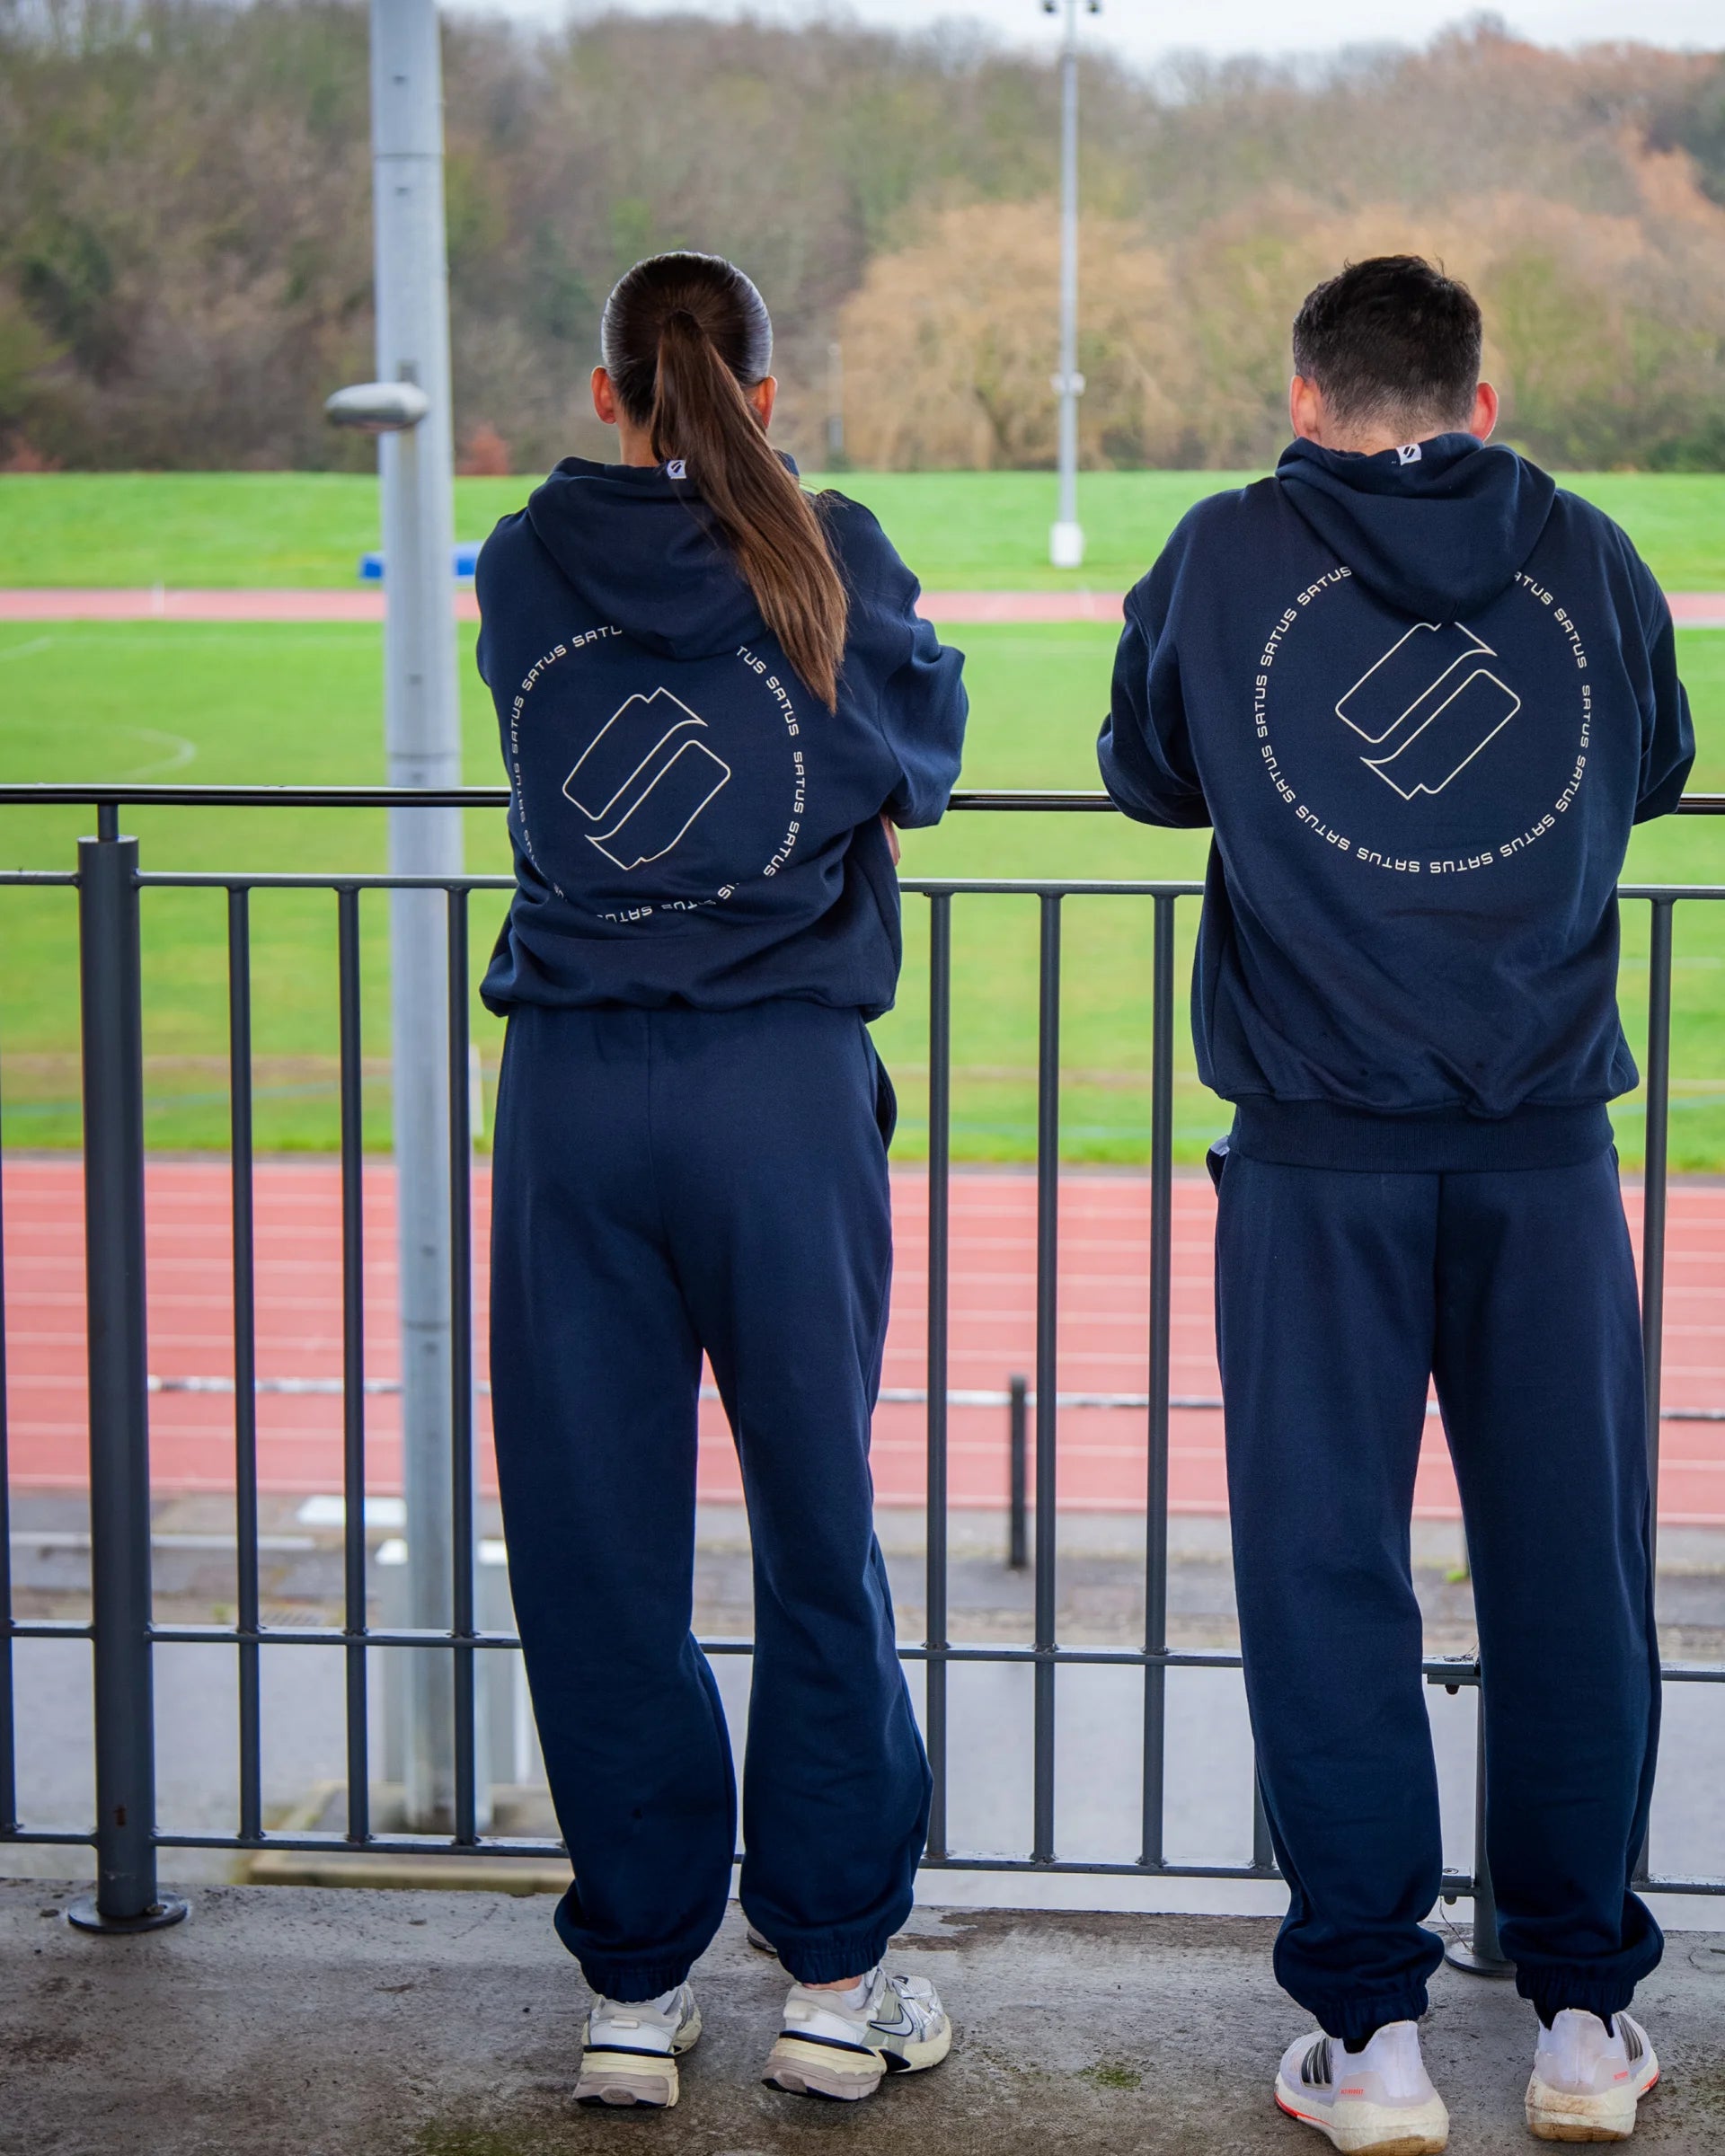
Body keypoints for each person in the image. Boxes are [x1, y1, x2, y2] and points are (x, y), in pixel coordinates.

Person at [1098, 255, 1692, 2152]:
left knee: (1325, 1584)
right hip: (1543, 1151)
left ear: (1303, 399)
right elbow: (1657, 768)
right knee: (1572, 1583)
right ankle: (1585, 2018)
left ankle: (1374, 2042)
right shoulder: (1590, 554)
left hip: (1317, 1158)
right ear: (1483, 405)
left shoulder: (1219, 552)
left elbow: (1145, 773)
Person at [474, 250, 967, 2110]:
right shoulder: (827, 553)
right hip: (777, 1093)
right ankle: (833, 1981)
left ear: (609, 395)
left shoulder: (527, 565)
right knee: (816, 1535)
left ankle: (632, 1985)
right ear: (766, 395)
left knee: (597, 1546)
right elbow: (922, 753)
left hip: (577, 1100)